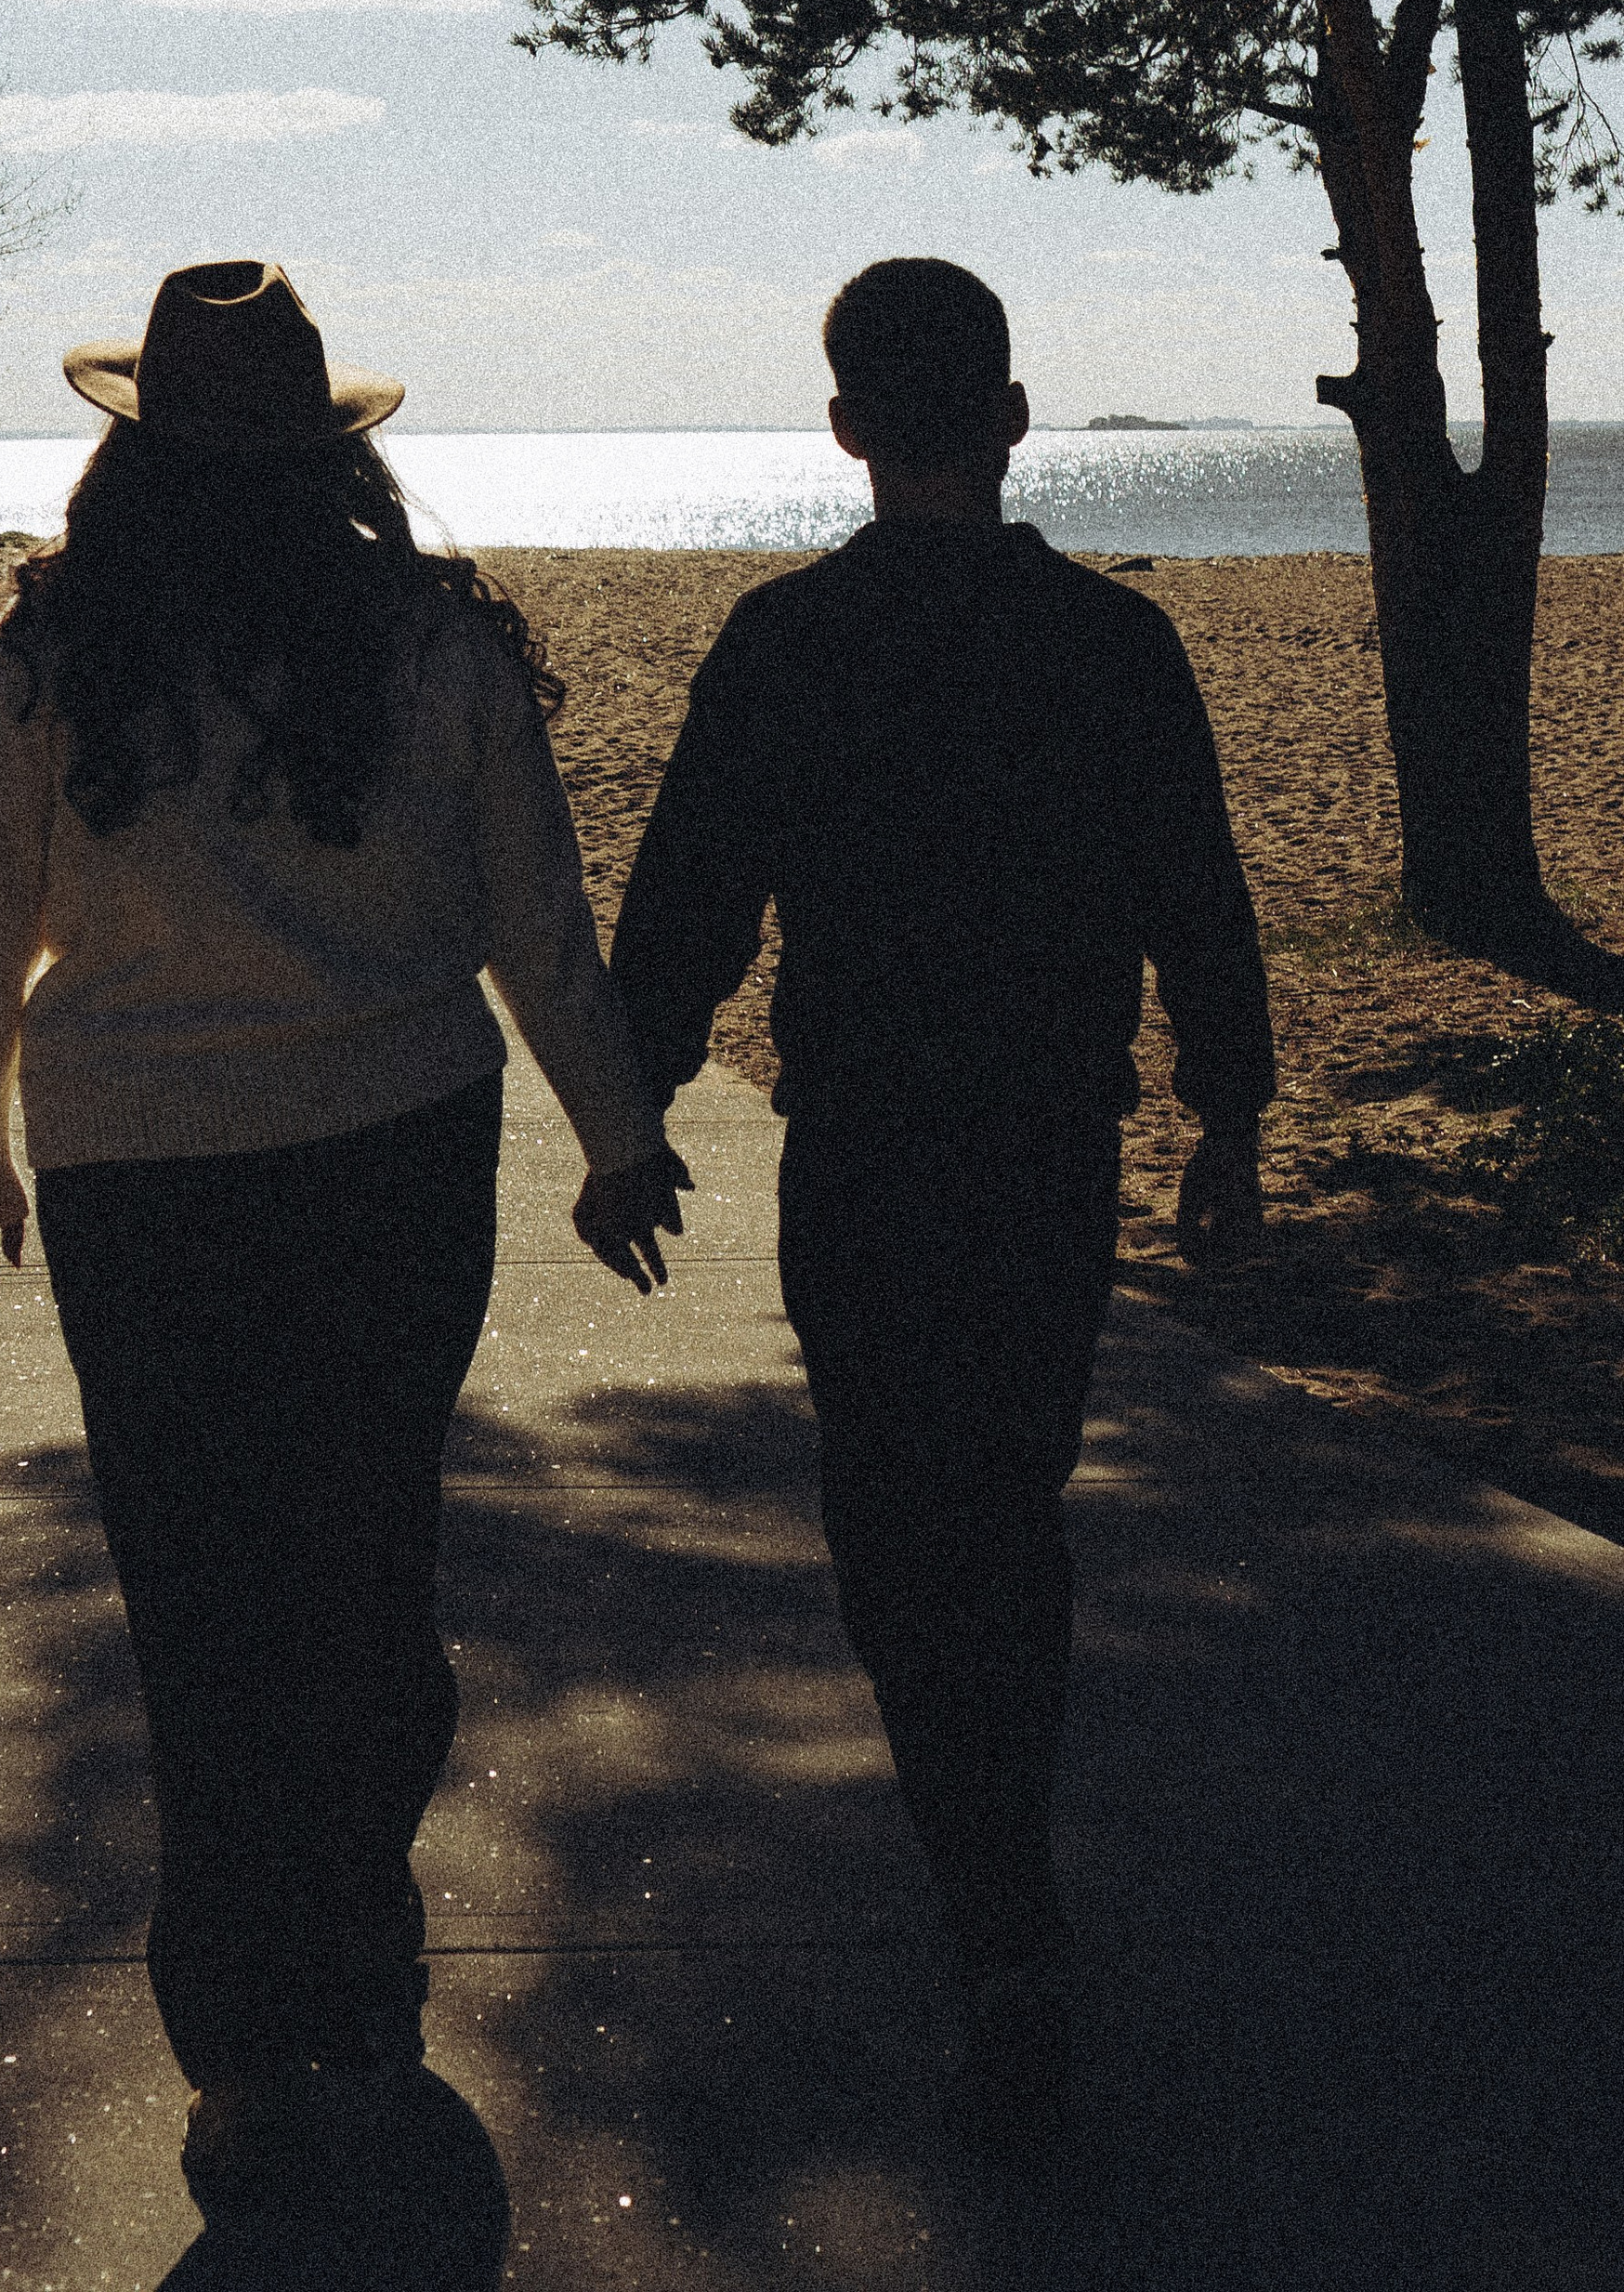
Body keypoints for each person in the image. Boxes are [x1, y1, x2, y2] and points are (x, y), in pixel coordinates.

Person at [0, 260, 682, 2269]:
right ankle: (352, 1968)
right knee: (365, 1575)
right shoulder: (430, 639)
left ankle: (249, 2051)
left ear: (134, 441)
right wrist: (617, 1132)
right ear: (332, 447)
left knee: (198, 1608)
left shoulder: (50, 646)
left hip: (143, 1182)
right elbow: (539, 919)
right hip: (387, 1161)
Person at [592, 256, 1275, 2156]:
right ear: (1011, 419)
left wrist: (624, 1122)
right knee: (1008, 1510)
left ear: (844, 431)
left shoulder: (783, 643)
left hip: (870, 1156)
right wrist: (1227, 1123)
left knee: (897, 1535)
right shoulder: (1112, 648)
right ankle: (1009, 1900)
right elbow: (1194, 899)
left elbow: (687, 913)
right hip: (1045, 1152)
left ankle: (992, 1913)